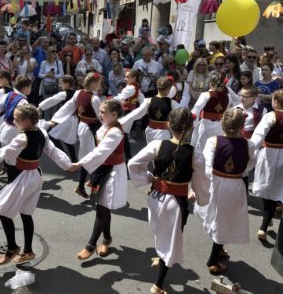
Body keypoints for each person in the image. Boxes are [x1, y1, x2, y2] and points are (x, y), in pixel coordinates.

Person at [127, 108, 206, 294]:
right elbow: (202, 178)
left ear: (169, 125)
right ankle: (158, 285)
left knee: (160, 230)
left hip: (156, 198)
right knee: (171, 241)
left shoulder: (157, 145)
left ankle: (159, 255)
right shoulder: (194, 153)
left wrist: (148, 178)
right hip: (176, 204)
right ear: (191, 128)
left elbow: (132, 163)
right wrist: (198, 194)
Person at [0, 104, 71, 264]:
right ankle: (28, 251)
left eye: (16, 119)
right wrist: (67, 164)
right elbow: (53, 151)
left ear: (28, 121)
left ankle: (12, 247)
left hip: (23, 177)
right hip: (35, 175)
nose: (14, 122)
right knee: (25, 213)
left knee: (2, 210)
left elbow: (7, 151)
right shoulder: (42, 132)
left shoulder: (22, 137)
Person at [70, 99, 128, 259]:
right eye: (100, 111)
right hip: (102, 170)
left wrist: (80, 163)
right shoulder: (106, 126)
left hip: (112, 172)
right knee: (103, 207)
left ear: (114, 115)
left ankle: (91, 244)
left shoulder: (115, 132)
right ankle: (107, 238)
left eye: (103, 112)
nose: (100, 114)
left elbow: (100, 151)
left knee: (102, 208)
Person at [201, 108, 255, 274]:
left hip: (216, 182)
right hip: (235, 185)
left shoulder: (213, 141)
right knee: (225, 219)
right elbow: (250, 164)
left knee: (220, 218)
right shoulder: (248, 144)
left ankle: (219, 248)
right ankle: (212, 259)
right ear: (241, 126)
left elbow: (207, 165)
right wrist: (237, 172)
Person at [251, 89, 283, 242]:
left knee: (267, 188)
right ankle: (268, 217)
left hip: (270, 155)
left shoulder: (270, 116)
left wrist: (249, 152)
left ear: (276, 102)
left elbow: (258, 136)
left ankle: (264, 226)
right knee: (275, 189)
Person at [50, 72, 103, 198]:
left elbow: (68, 107)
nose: (100, 86)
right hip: (90, 129)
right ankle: (89, 184)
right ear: (94, 84)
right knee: (91, 156)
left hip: (83, 126)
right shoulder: (94, 99)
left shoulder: (79, 92)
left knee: (90, 155)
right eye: (99, 83)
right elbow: (102, 117)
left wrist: (56, 118)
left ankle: (87, 184)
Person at [120, 76, 181, 145]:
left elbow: (135, 114)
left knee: (152, 150)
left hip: (151, 132)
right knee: (160, 152)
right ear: (169, 89)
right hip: (164, 133)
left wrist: (121, 122)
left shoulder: (148, 101)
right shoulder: (172, 103)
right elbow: (183, 114)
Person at [190, 71, 237, 152]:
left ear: (211, 83)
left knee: (202, 148)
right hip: (220, 127)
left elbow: (196, 110)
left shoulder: (206, 95)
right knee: (215, 148)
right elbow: (231, 108)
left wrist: (192, 123)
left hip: (205, 126)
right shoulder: (228, 96)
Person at [38, 75, 78, 162]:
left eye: (61, 83)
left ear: (67, 84)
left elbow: (52, 100)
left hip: (65, 119)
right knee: (68, 141)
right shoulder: (77, 93)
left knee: (51, 135)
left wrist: (40, 107)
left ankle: (64, 155)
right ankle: (73, 160)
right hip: (73, 119)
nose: (60, 85)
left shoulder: (64, 93)